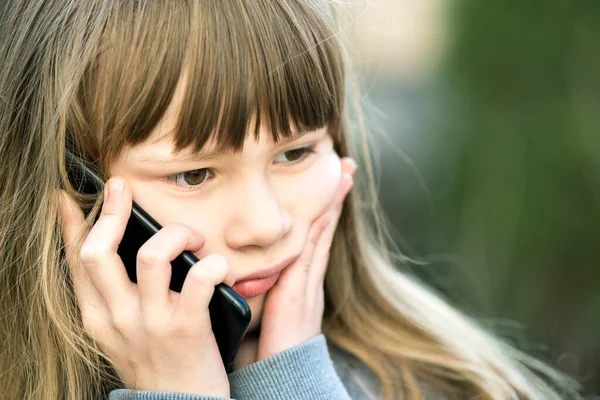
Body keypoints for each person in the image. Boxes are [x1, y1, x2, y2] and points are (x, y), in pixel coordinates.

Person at [0, 1, 585, 399]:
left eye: (295, 154)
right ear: (77, 192)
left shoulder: (450, 384)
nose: (266, 224)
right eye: (195, 174)